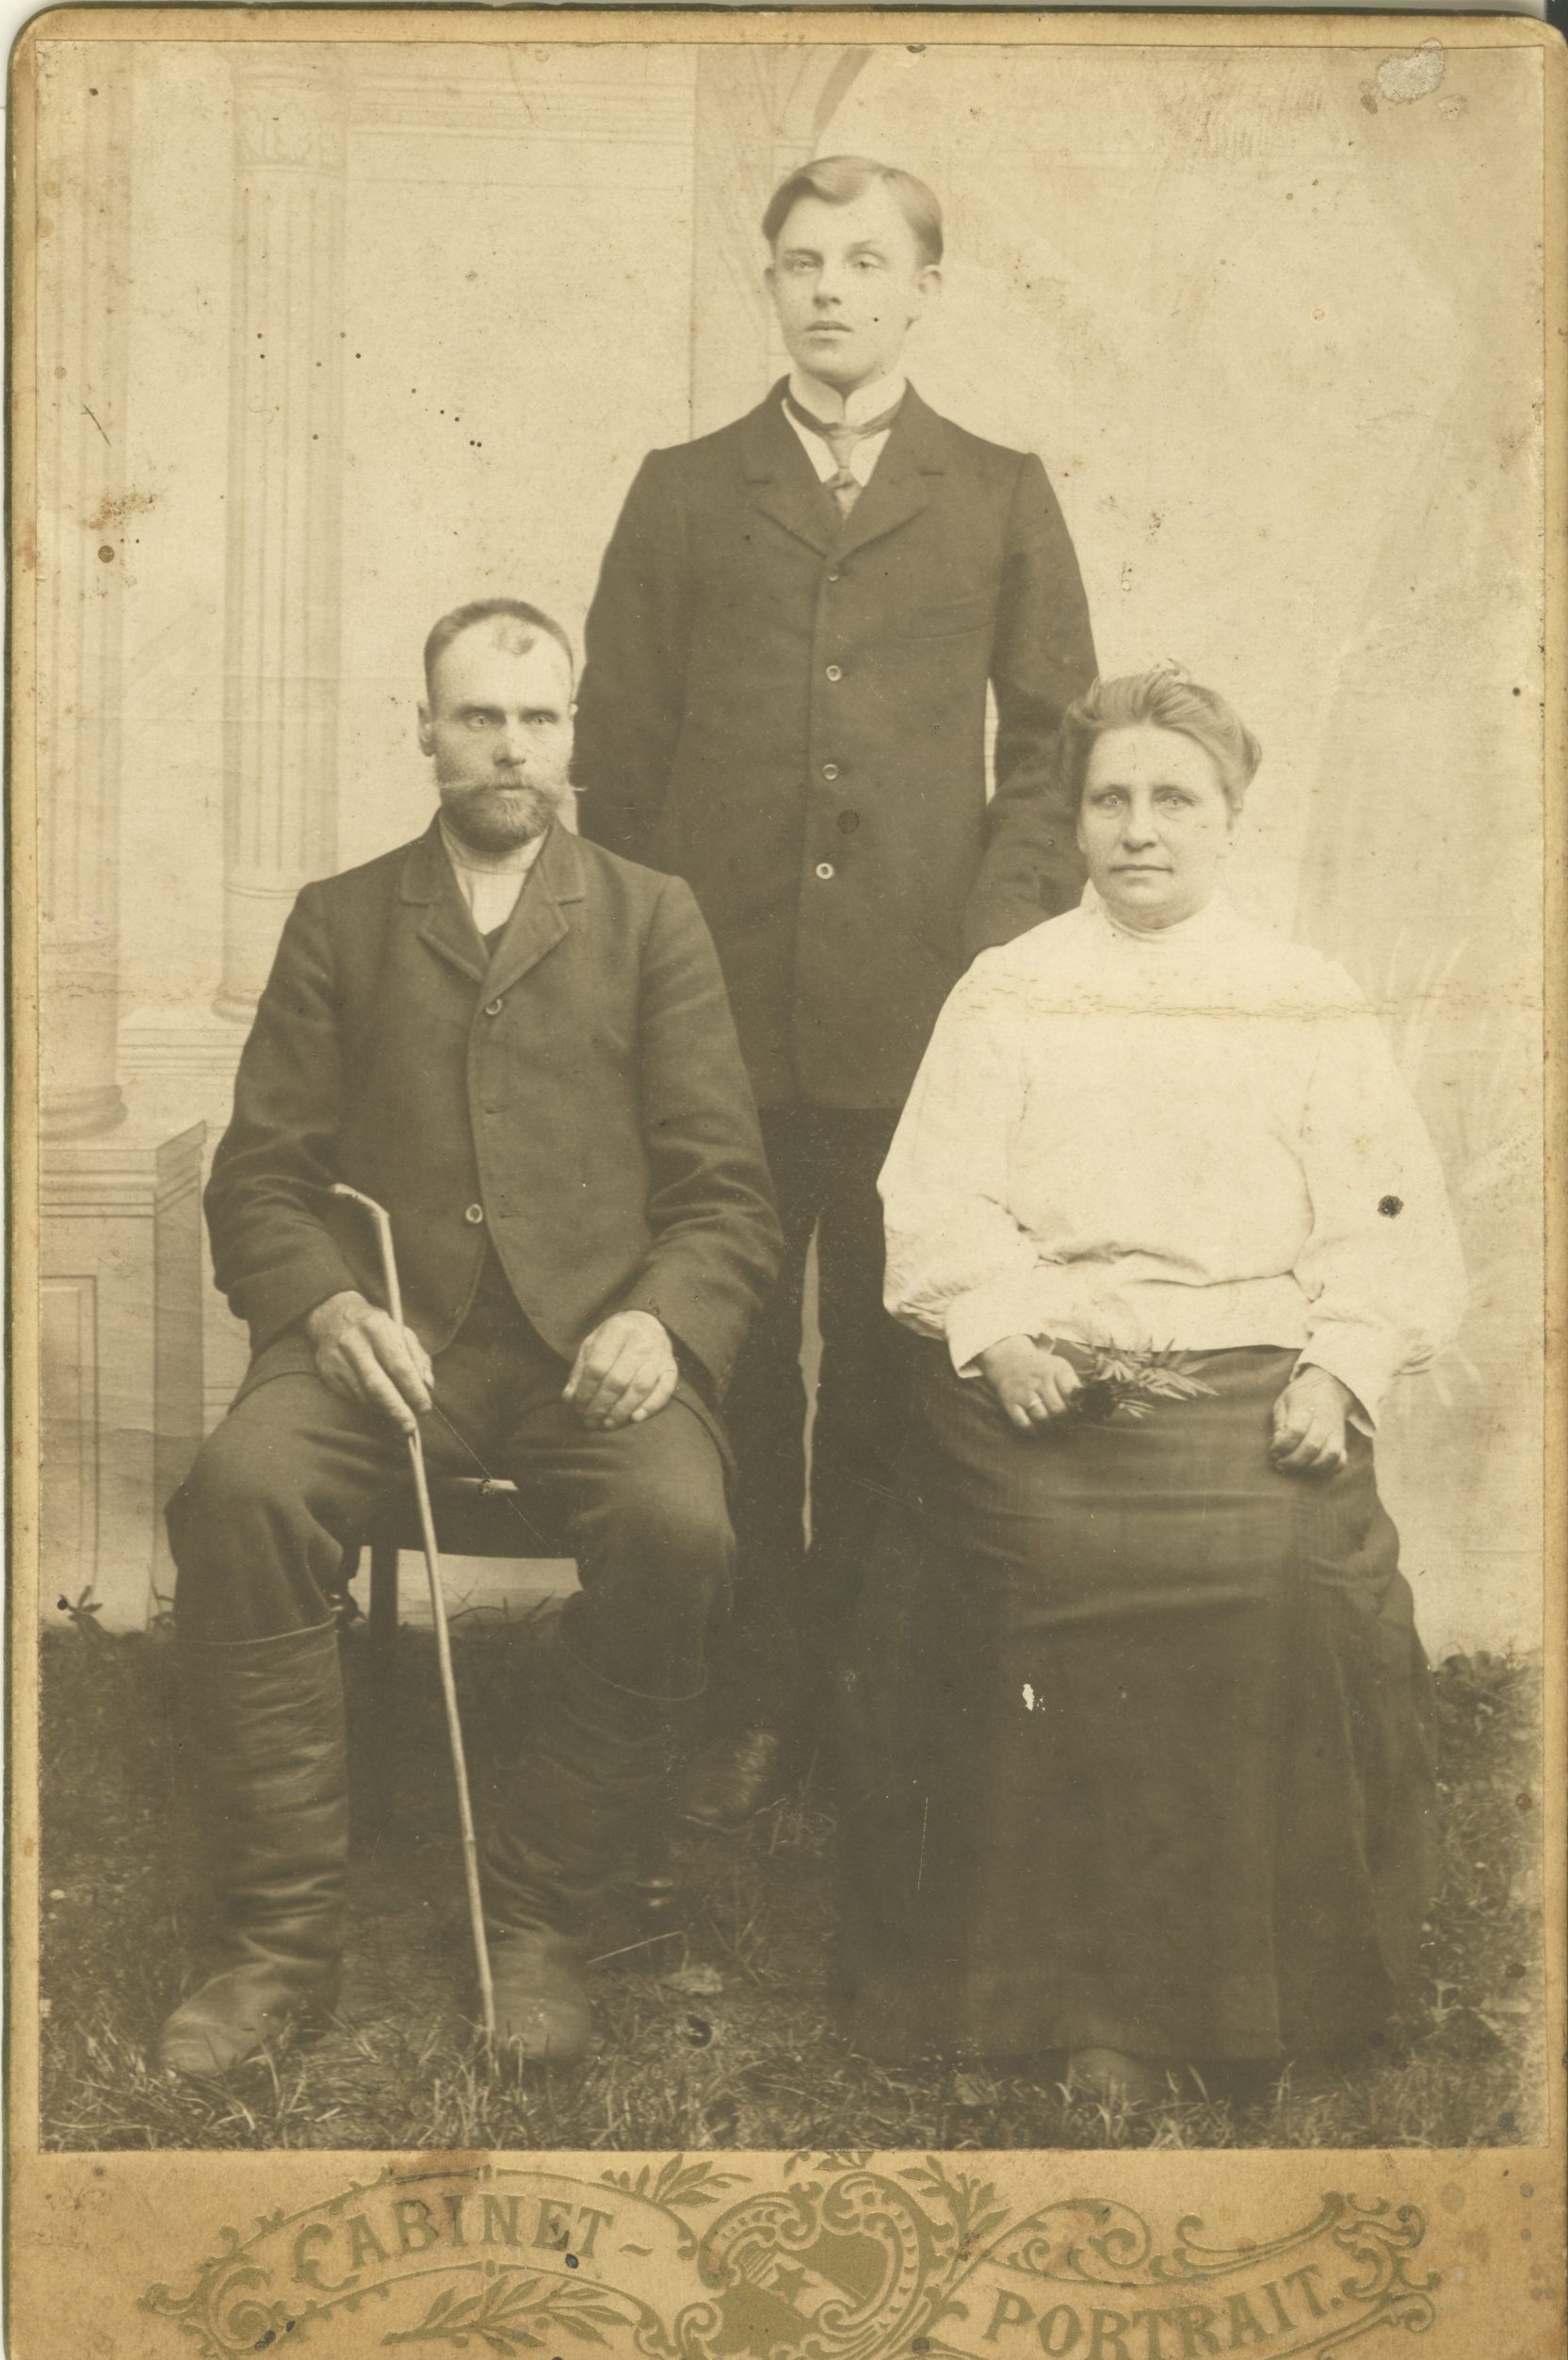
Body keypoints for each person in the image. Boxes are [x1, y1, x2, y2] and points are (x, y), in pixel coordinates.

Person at [159, 599, 781, 2076]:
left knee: (680, 1531)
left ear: (573, 732)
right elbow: (259, 1174)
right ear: (424, 730)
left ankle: (541, 1919)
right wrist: (327, 1304)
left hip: (589, 1363)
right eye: (480, 717)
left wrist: (656, 1317)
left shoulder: (650, 914)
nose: (512, 748)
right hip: (391, 1350)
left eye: (538, 719)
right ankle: (276, 1944)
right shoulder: (343, 913)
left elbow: (725, 1195)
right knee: (242, 1493)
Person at [837, 667, 1465, 2096]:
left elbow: (1387, 1223)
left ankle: (1271, 1999)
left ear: (1229, 815)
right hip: (1052, 1377)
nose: (1137, 828)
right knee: (1044, 1564)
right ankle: (1062, 2006)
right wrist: (998, 1332)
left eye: (1172, 797)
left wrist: (1340, 1370)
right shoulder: (1008, 990)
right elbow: (934, 1205)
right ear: (1073, 820)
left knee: (1280, 1576)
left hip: (1251, 1375)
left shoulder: (1300, 998)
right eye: (1108, 798)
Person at [574, 155, 1097, 1826]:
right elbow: (616, 761)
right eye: (801, 260)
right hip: (713, 1016)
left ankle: (870, 1710)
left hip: (917, 1024)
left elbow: (1062, 747)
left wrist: (987, 952)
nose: (829, 289)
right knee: (730, 1360)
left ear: (922, 286)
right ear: (772, 285)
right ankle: (746, 1688)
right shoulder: (681, 486)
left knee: (886, 1366)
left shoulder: (1000, 489)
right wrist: (663, 964)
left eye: (865, 262)